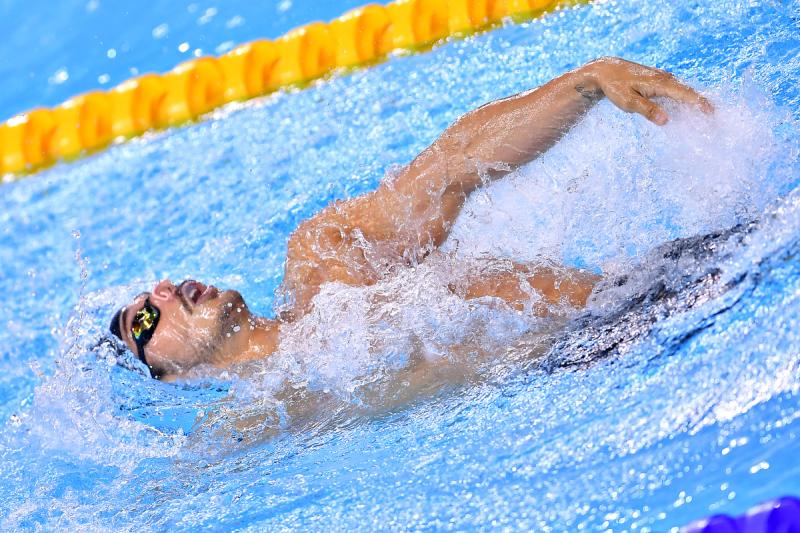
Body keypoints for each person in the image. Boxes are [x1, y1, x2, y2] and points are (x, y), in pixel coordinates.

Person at [109, 57, 713, 381]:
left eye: (152, 289)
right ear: (169, 375)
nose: (162, 291)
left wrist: (584, 83)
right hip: (596, 367)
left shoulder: (322, 255)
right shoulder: (268, 414)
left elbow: (449, 168)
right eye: (144, 319)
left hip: (651, 288)